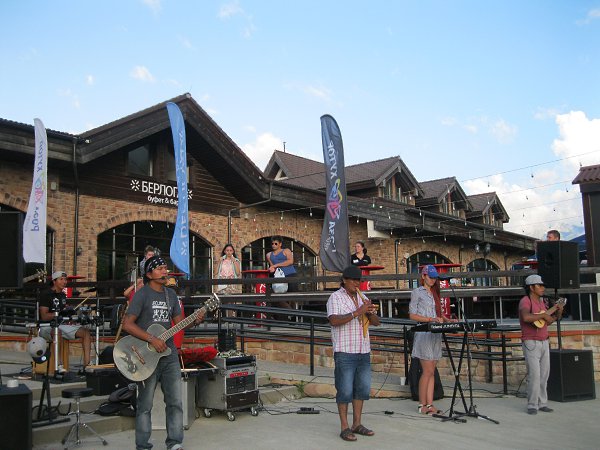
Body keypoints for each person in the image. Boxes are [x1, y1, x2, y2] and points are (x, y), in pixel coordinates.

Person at [122, 256, 205, 450]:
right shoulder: (142, 295)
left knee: (175, 401)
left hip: (169, 355)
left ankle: (175, 442)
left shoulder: (171, 295)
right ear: (149, 274)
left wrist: (195, 319)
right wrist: (152, 339)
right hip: (145, 356)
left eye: (165, 268)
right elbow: (127, 324)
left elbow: (180, 323)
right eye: (159, 268)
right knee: (145, 404)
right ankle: (143, 445)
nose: (164, 271)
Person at [327, 265, 380, 442]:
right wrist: (358, 312)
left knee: (362, 389)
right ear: (344, 280)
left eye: (359, 280)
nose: (357, 283)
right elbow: (334, 320)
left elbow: (376, 323)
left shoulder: (362, 297)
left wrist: (370, 312)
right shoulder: (335, 297)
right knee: (344, 390)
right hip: (345, 350)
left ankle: (357, 424)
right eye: (353, 280)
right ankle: (344, 427)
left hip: (363, 350)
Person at [409, 265, 454, 415]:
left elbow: (437, 312)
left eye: (435, 278)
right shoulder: (417, 292)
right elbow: (412, 315)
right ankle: (422, 404)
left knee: (432, 371)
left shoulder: (435, 292)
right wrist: (430, 319)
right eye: (431, 277)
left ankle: (430, 404)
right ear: (423, 276)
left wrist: (447, 320)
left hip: (435, 334)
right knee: (427, 371)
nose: (433, 280)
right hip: (423, 334)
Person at [519, 274, 563, 415]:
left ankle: (542, 403)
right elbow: (526, 317)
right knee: (534, 375)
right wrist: (543, 315)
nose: (543, 288)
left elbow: (547, 321)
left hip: (544, 341)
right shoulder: (525, 301)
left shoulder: (543, 302)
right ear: (531, 287)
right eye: (540, 285)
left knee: (544, 375)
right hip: (531, 342)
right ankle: (532, 405)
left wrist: (558, 311)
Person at [38, 271, 92, 374]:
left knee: (85, 332)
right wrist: (59, 314)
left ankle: (87, 365)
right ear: (54, 281)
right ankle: (59, 366)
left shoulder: (62, 295)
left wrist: (70, 315)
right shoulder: (45, 294)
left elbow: (63, 314)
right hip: (46, 326)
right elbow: (44, 316)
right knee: (57, 332)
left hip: (61, 325)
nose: (64, 281)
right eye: (61, 279)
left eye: (65, 279)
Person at [266, 236, 296, 309]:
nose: (273, 245)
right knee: (278, 296)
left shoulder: (286, 251)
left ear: (280, 244)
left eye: (276, 244)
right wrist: (272, 268)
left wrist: (276, 265)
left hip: (290, 274)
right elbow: (272, 266)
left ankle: (293, 312)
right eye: (272, 243)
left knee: (292, 295)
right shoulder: (269, 255)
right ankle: (288, 311)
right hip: (278, 276)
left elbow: (290, 261)